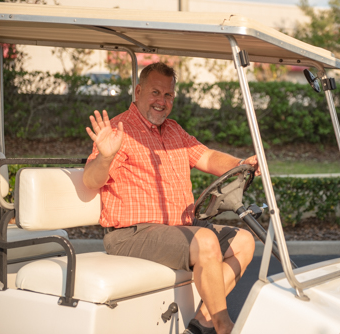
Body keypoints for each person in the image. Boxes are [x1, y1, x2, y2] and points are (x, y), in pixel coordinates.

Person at [83, 62, 259, 334]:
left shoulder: (174, 130)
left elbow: (207, 156)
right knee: (205, 240)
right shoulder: (120, 131)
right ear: (138, 91)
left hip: (177, 230)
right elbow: (91, 180)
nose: (161, 102)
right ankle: (224, 326)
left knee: (244, 241)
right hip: (131, 234)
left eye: (168, 96)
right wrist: (105, 156)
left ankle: (201, 323)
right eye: (155, 93)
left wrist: (242, 163)